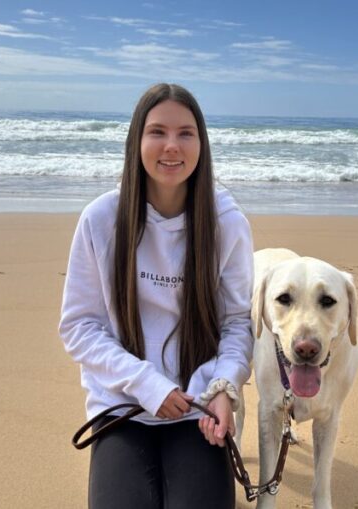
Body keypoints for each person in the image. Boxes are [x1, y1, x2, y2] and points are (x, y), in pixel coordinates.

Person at [58, 83, 254, 508]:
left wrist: (224, 386)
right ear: (137, 140)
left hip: (197, 407)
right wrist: (148, 385)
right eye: (157, 132)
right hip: (123, 405)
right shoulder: (101, 219)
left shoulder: (227, 223)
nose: (172, 146)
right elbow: (79, 327)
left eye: (186, 133)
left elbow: (236, 323)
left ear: (201, 143)